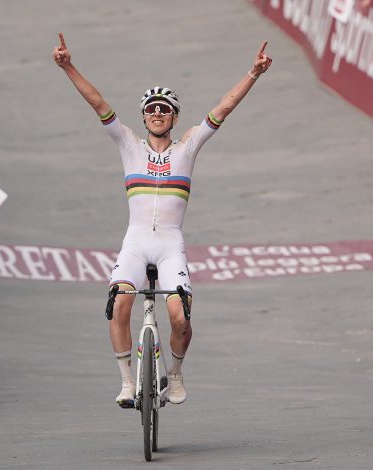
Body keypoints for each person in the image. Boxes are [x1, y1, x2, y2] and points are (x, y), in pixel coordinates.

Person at [53, 32, 272, 407]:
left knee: (180, 317)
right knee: (119, 304)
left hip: (170, 244)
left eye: (164, 109)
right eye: (151, 108)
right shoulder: (128, 144)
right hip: (136, 242)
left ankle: (175, 374)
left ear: (173, 117)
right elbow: (98, 102)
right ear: (143, 116)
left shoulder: (187, 146)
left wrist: (253, 73)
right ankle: (126, 381)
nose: (157, 113)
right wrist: (68, 66)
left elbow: (224, 108)